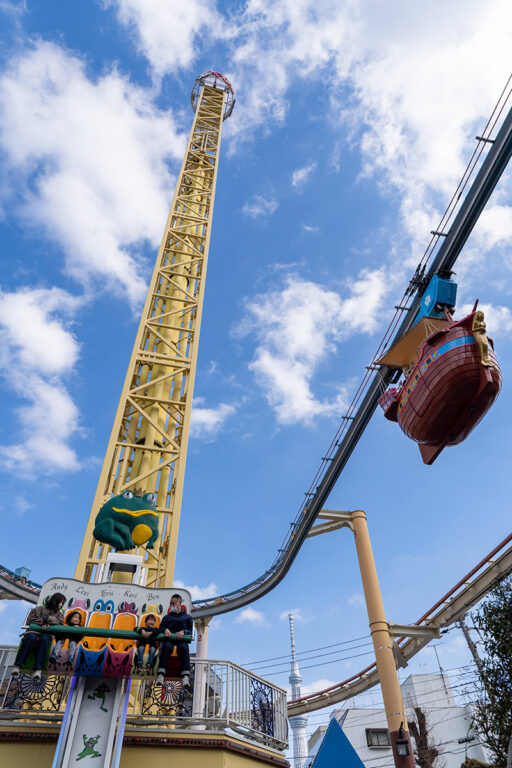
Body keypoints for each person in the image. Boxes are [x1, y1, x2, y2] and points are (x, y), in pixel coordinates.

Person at [12, 593, 65, 679]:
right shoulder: (39, 609)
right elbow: (30, 620)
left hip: (47, 633)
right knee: (30, 637)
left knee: (44, 639)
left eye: (63, 603)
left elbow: (59, 623)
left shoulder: (60, 614)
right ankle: (17, 665)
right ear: (56, 600)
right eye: (60, 602)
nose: (61, 604)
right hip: (34, 631)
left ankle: (38, 668)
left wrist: (47, 619)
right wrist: (42, 623)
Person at [155, 594, 193, 687]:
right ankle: (161, 674)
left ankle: (185, 676)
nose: (171, 605)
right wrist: (166, 630)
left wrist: (184, 631)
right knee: (166, 646)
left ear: (180, 603)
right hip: (169, 639)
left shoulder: (187, 617)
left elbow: (190, 631)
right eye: (170, 603)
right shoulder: (167, 617)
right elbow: (161, 628)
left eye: (173, 603)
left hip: (181, 640)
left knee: (183, 648)